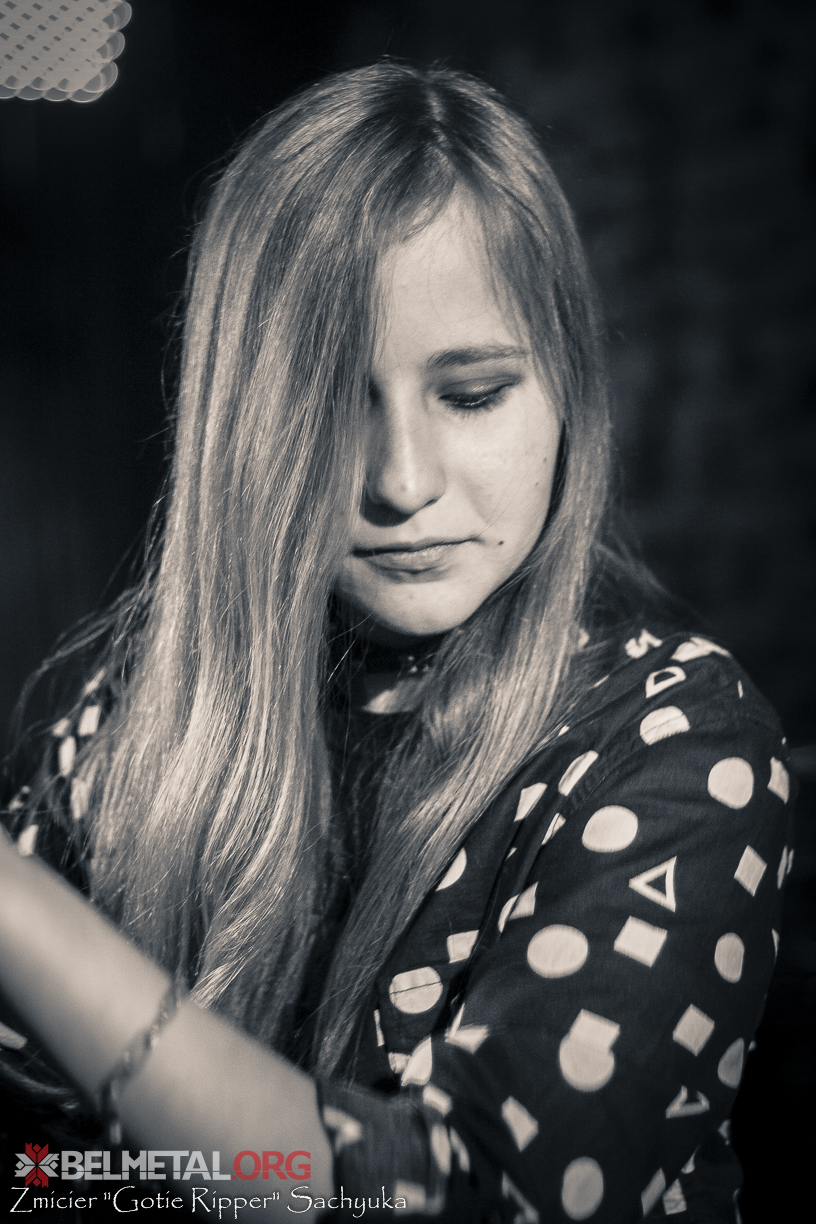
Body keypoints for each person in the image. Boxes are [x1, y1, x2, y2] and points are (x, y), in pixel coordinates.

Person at [0, 62, 793, 1223]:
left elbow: (472, 1197)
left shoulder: (676, 739)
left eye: (471, 396)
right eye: (331, 406)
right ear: (240, 424)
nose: (402, 482)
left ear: (570, 392)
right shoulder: (119, 731)